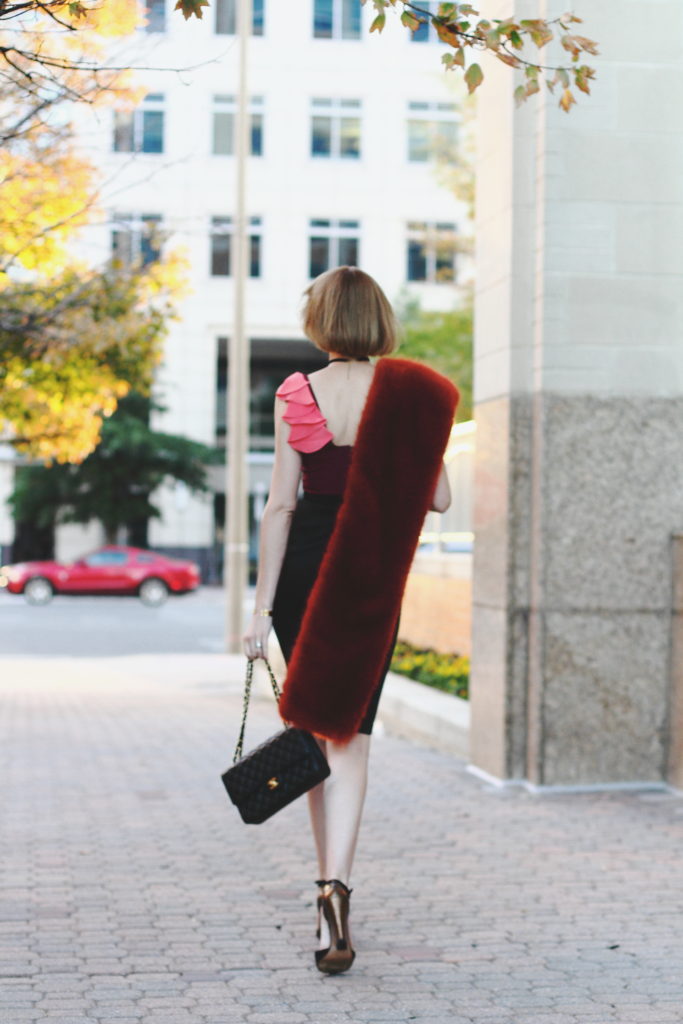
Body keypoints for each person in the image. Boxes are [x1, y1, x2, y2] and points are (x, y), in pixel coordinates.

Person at [243, 266, 455, 974]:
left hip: (304, 569)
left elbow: (279, 504)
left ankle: (322, 894)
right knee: (351, 741)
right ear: (380, 321)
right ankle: (336, 888)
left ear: (321, 320)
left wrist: (260, 606)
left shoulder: (296, 393)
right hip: (367, 572)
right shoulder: (411, 394)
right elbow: (440, 499)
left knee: (310, 729)